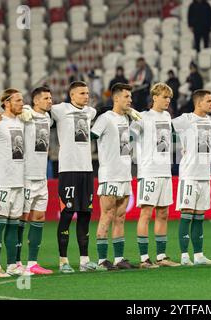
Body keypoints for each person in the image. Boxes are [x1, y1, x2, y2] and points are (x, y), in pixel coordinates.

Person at [130, 83, 181, 268]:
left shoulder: (167, 116)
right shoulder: (143, 117)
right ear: (155, 97)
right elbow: (129, 137)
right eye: (165, 97)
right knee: (146, 213)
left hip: (165, 172)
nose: (168, 100)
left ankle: (161, 256)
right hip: (149, 172)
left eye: (169, 97)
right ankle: (144, 258)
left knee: (163, 213)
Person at [91, 83, 141, 270]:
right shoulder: (105, 118)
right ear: (116, 98)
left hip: (125, 174)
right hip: (109, 175)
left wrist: (137, 122)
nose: (130, 100)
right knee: (107, 215)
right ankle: (102, 260)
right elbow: (91, 136)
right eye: (127, 96)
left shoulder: (129, 120)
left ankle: (119, 259)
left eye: (130, 97)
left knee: (120, 217)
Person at [51, 81, 99, 273]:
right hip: (68, 170)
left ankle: (84, 260)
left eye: (87, 93)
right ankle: (63, 261)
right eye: (81, 93)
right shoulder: (60, 109)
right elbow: (41, 108)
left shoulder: (90, 112)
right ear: (71, 96)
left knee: (86, 214)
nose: (86, 96)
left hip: (86, 169)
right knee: (67, 213)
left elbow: (102, 110)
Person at [172, 89, 211, 266]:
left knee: (199, 215)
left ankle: (198, 255)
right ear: (198, 103)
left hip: (205, 176)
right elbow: (164, 128)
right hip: (189, 175)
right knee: (187, 214)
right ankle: (184, 256)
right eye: (209, 101)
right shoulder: (185, 119)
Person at [0, 88, 29, 276]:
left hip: (19, 181)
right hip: (3, 182)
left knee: (14, 224)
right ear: (6, 103)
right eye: (18, 100)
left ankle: (12, 265)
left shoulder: (22, 121)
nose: (22, 103)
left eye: (22, 100)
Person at [17, 87, 54, 275]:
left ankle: (32, 263)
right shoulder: (26, 114)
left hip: (42, 177)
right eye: (46, 98)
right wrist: (23, 108)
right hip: (26, 176)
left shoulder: (47, 118)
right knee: (22, 219)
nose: (50, 101)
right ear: (36, 101)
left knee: (39, 218)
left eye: (51, 98)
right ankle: (16, 263)